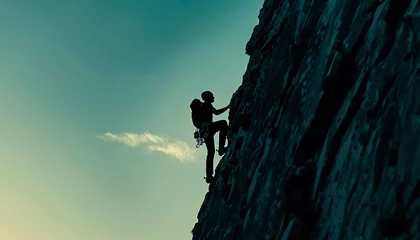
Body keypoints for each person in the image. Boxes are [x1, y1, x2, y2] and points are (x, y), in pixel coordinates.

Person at [200, 91, 229, 183]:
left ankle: (209, 176)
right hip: (209, 129)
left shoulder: (203, 106)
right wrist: (228, 107)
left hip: (204, 131)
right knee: (223, 123)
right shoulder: (207, 106)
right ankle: (221, 148)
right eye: (212, 96)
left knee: (210, 152)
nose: (213, 97)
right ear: (208, 98)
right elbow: (216, 112)